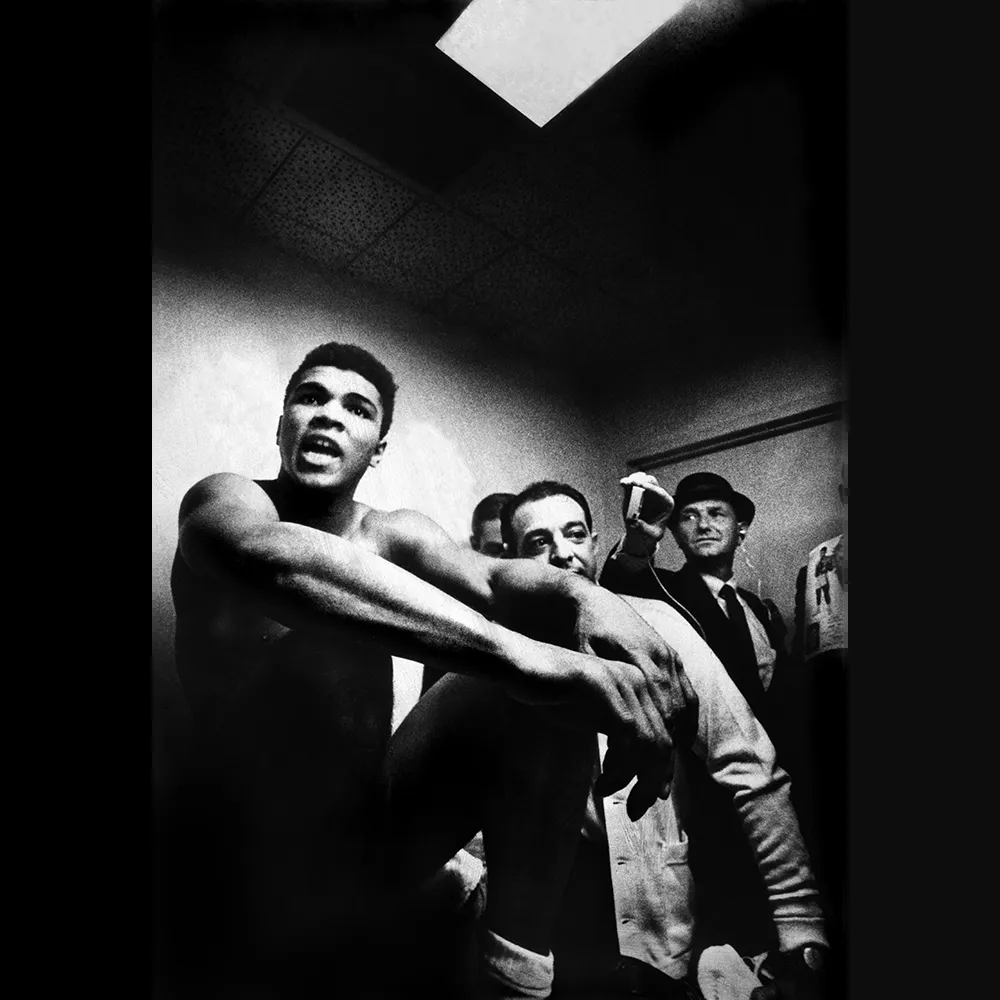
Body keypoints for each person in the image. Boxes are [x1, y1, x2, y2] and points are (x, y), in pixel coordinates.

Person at [166, 342, 696, 999]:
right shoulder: (229, 500)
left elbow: (499, 578)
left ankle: (515, 982)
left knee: (546, 637)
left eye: (356, 408)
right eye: (311, 398)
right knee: (338, 646)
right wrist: (528, 663)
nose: (330, 416)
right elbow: (270, 558)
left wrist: (595, 600)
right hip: (242, 854)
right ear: (281, 427)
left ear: (377, 449)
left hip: (369, 839)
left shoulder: (393, 531)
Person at [501, 481, 833, 1000]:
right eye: (537, 542)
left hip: (659, 900)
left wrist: (798, 915)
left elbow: (748, 763)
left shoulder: (657, 623)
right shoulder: (491, 646)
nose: (562, 552)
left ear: (593, 541)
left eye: (574, 534)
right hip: (552, 914)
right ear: (508, 559)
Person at [600, 472, 796, 966]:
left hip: (770, 791)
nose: (703, 524)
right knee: (728, 941)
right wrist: (639, 543)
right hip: (704, 793)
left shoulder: (759, 609)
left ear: (741, 527)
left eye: (717, 514)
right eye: (688, 516)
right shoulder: (660, 591)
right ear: (676, 531)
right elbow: (617, 587)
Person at [421, 491, 516, 696]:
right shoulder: (453, 616)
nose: (505, 562)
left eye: (513, 551)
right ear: (475, 545)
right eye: (495, 550)